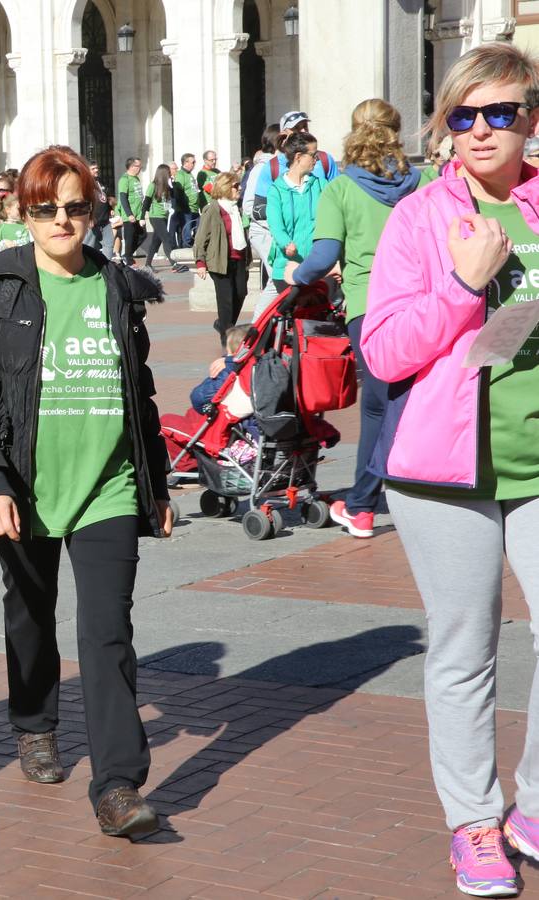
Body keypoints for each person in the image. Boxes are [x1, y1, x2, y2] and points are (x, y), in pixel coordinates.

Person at [0, 145, 171, 840]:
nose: (62, 220)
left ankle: (116, 786)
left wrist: (155, 483)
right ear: (23, 211)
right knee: (31, 614)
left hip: (107, 486)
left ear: (95, 210)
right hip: (23, 487)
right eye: (46, 208)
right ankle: (35, 721)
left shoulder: (117, 287)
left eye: (76, 207)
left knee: (107, 634)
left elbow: (141, 395)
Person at [361, 41, 539, 899]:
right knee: (466, 648)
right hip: (444, 473)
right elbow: (387, 350)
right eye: (462, 114)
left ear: (529, 121)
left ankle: (533, 807)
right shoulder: (418, 219)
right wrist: (466, 285)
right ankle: (473, 821)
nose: (478, 130)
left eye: (498, 113)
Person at [292, 98, 427, 540]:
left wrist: (300, 275)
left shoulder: (341, 189)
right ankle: (393, 485)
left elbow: (324, 255)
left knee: (380, 404)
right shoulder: (421, 180)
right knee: (407, 398)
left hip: (370, 305)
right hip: (420, 302)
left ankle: (363, 504)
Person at [263, 132, 324, 310]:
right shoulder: (277, 190)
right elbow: (276, 226)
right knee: (293, 320)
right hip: (288, 269)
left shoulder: (320, 184)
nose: (316, 159)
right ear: (298, 157)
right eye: (313, 155)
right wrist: (286, 244)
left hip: (315, 267)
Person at [194, 172, 251, 341]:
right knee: (225, 300)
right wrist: (200, 262)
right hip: (220, 261)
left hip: (239, 258)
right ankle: (227, 338)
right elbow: (201, 237)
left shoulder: (236, 208)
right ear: (226, 187)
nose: (239, 188)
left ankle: (223, 325)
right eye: (235, 186)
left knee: (241, 293)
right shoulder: (213, 209)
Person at [242, 123, 281, 293]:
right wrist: (276, 225)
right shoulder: (262, 169)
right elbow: (249, 205)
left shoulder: (281, 165)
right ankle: (260, 320)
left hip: (278, 233)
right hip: (266, 232)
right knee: (278, 281)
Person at [141, 164, 183, 273]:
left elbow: (173, 198)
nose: (170, 174)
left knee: (156, 241)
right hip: (155, 217)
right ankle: (174, 264)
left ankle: (148, 264)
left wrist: (172, 185)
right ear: (164, 173)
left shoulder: (168, 186)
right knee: (167, 238)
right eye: (168, 172)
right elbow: (146, 202)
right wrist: (141, 218)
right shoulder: (153, 185)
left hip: (164, 216)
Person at [116, 158, 145, 266]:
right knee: (129, 238)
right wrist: (129, 214)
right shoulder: (124, 179)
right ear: (132, 167)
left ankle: (127, 255)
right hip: (130, 215)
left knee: (143, 235)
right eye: (138, 166)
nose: (140, 168)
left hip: (138, 213)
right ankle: (128, 259)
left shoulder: (136, 178)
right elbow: (123, 198)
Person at [173, 153, 201, 247]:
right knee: (187, 236)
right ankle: (184, 255)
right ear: (185, 162)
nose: (193, 164)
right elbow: (178, 192)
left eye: (194, 162)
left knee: (198, 233)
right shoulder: (181, 174)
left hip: (195, 209)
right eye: (192, 162)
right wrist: (185, 207)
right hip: (186, 210)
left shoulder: (190, 175)